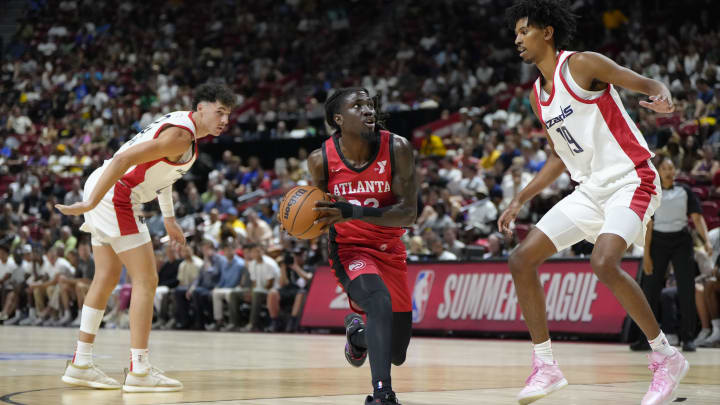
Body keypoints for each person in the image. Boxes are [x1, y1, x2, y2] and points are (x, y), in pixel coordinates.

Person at [500, 2, 688, 404]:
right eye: (515, 33)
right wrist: (520, 198)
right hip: (590, 190)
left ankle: (666, 357)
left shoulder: (582, 65)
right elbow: (557, 157)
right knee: (521, 259)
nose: (517, 39)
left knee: (603, 262)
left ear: (547, 32)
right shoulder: (537, 95)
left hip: (631, 178)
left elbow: (644, 82)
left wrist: (662, 95)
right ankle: (546, 366)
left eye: (524, 31)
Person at [54, 83, 235, 392]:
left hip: (106, 187)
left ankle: (81, 363)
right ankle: (139, 369)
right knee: (147, 280)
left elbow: (161, 175)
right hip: (115, 193)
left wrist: (169, 218)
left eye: (228, 115)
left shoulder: (183, 126)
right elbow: (122, 161)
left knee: (107, 276)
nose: (224, 120)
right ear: (201, 108)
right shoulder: (180, 136)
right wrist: (90, 203)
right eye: (219, 112)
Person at [308, 87, 417, 405]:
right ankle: (383, 394)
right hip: (350, 250)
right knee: (378, 301)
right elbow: (316, 215)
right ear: (338, 119)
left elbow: (408, 214)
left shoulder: (397, 148)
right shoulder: (321, 160)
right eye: (358, 106)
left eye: (370, 104)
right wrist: (306, 223)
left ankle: (357, 335)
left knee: (396, 352)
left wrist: (353, 210)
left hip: (390, 249)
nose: (368, 109)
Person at [633, 157, 707, 352]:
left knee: (686, 289)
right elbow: (649, 226)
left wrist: (706, 240)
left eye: (671, 168)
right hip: (657, 242)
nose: (668, 171)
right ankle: (645, 339)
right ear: (658, 171)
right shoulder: (653, 192)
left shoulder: (685, 191)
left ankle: (688, 338)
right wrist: (646, 255)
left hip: (681, 241)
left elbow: (697, 218)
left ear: (675, 171)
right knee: (650, 290)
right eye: (664, 168)